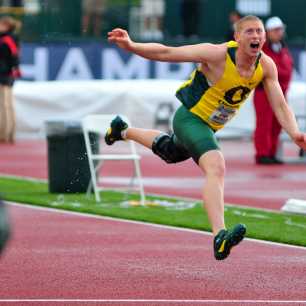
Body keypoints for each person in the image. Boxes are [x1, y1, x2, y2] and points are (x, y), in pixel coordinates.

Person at [106, 15, 306, 260]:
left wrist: (294, 133)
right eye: (250, 32)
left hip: (209, 127)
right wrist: (132, 45)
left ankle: (122, 130)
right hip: (190, 118)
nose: (256, 36)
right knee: (216, 166)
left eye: (259, 32)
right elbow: (168, 52)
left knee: (170, 151)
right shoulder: (217, 54)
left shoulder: (266, 66)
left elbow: (280, 105)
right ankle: (219, 234)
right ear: (237, 37)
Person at [253, 16, 293, 165]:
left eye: (280, 29)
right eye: (276, 30)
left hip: (281, 93)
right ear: (268, 32)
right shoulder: (262, 50)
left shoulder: (283, 48)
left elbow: (286, 71)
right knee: (264, 124)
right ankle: (262, 153)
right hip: (264, 93)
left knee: (278, 123)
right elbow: (274, 71)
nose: (279, 33)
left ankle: (271, 152)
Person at [0, 15, 21, 144]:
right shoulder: (9, 38)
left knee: (4, 105)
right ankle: (10, 133)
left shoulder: (7, 39)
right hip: (7, 73)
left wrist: (12, 69)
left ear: (6, 26)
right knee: (8, 105)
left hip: (4, 74)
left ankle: (4, 133)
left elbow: (13, 57)